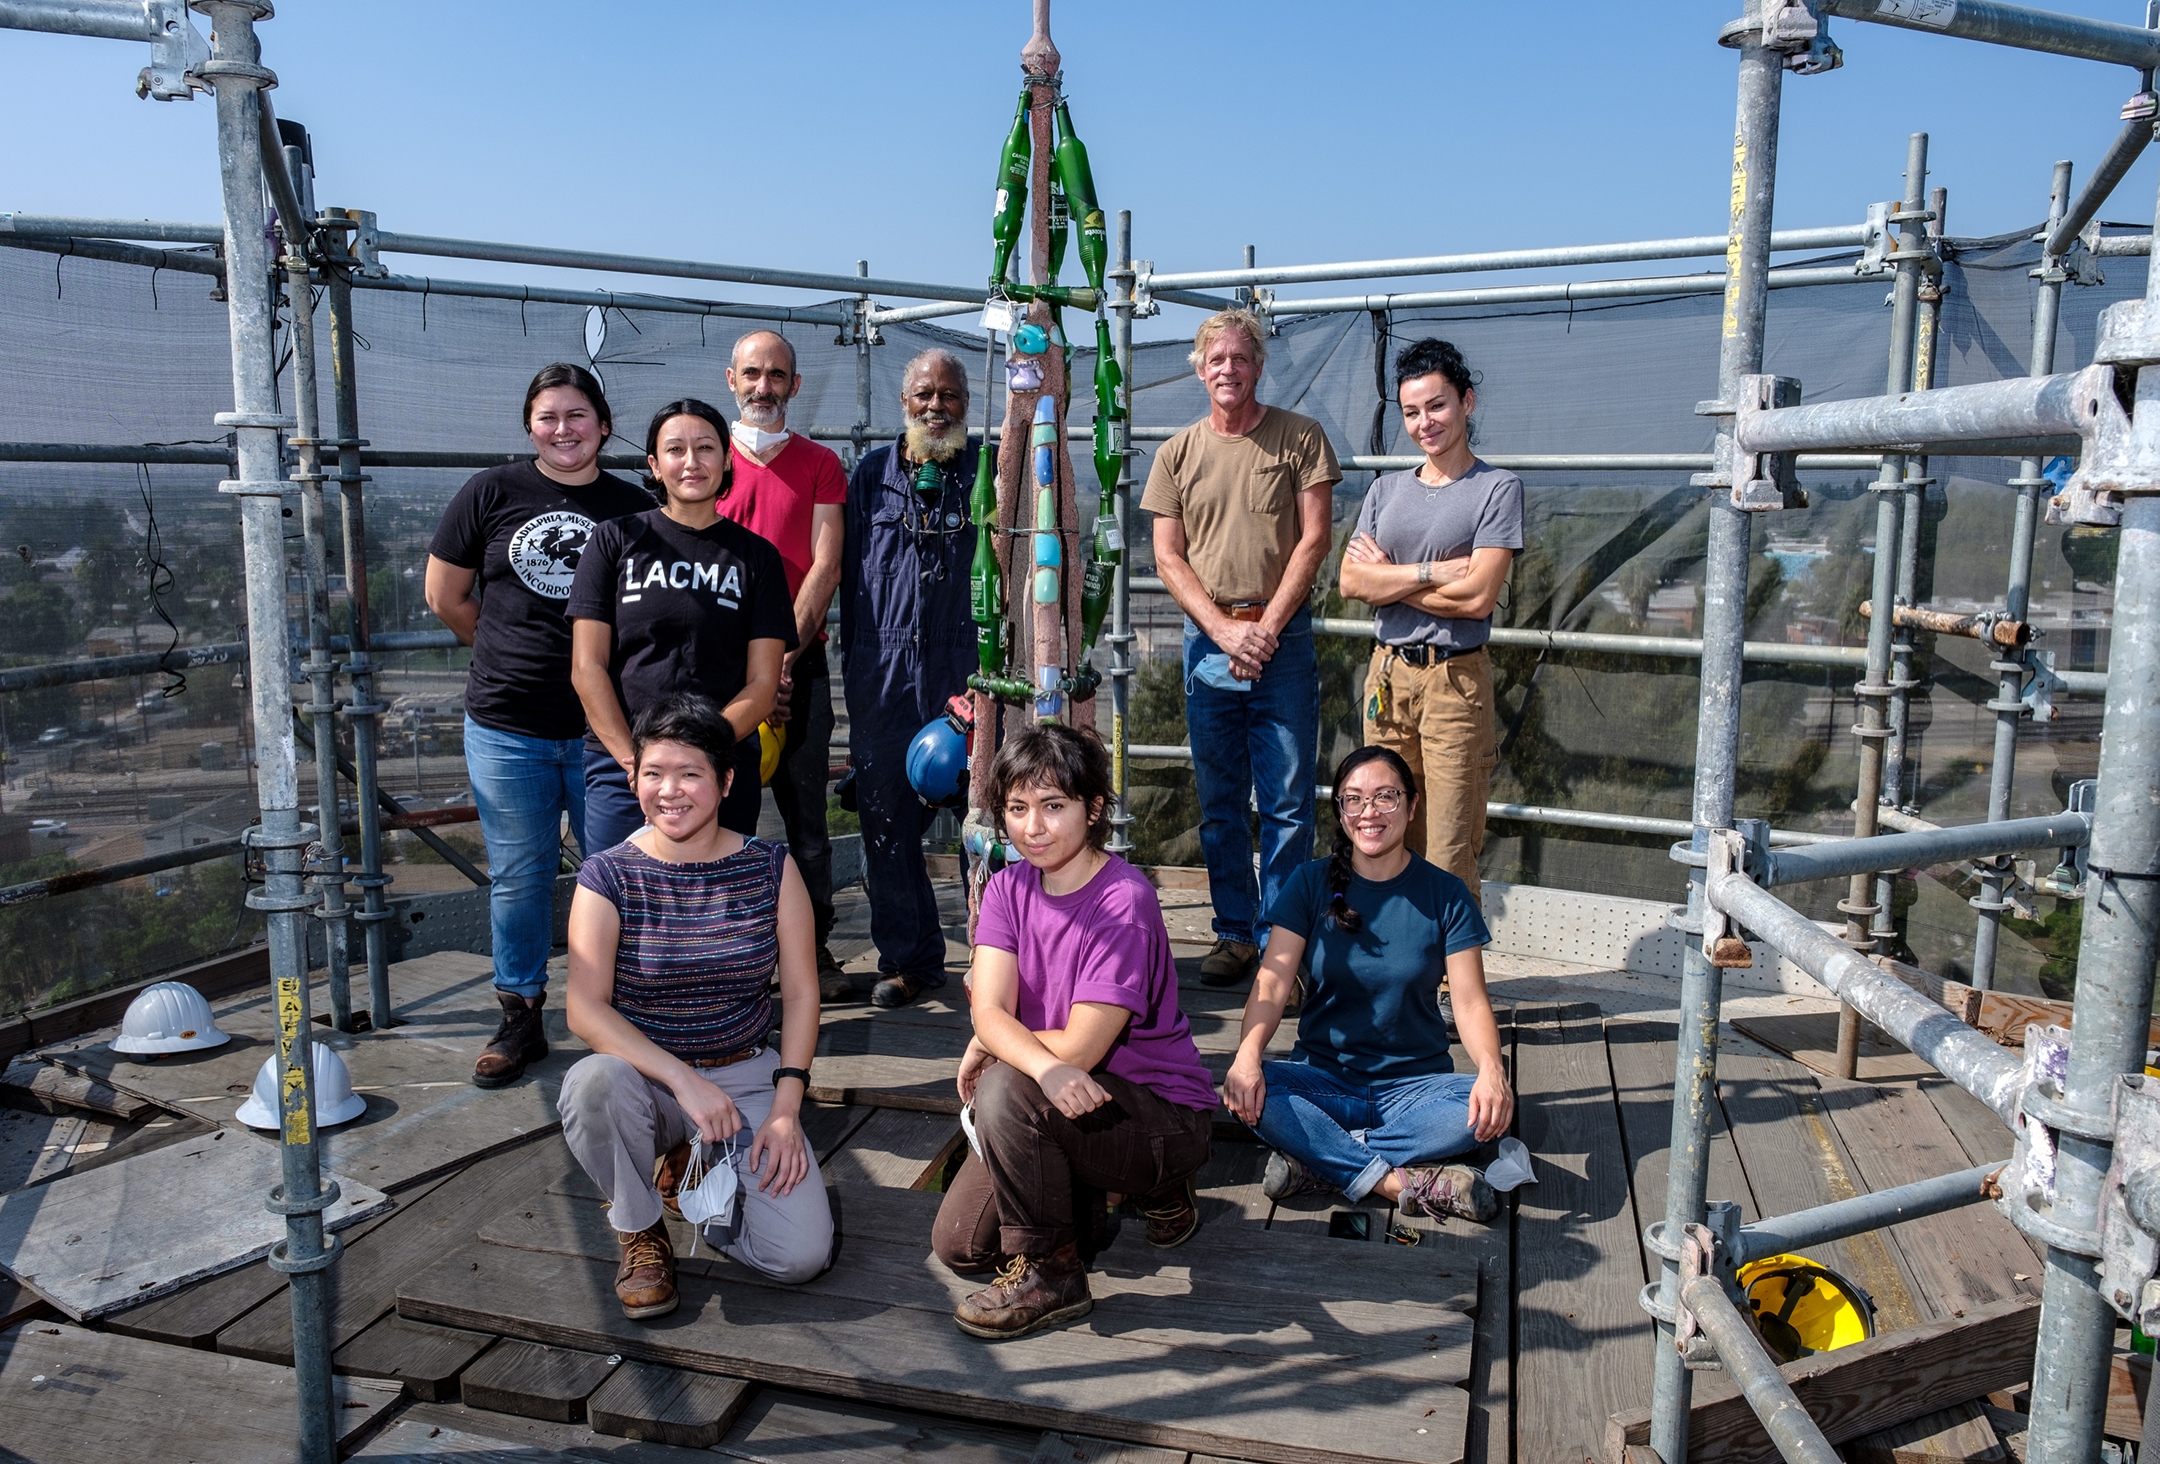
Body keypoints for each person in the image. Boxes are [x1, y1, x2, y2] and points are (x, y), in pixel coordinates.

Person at [932, 725, 1216, 1341]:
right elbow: (988, 1011)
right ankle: (1074, 1207)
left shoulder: (1124, 900)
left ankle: (1055, 1272)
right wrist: (991, 1034)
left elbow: (1082, 1048)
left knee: (1007, 1085)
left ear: (1093, 811)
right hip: (1065, 1103)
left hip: (1158, 1114)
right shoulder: (1006, 888)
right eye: (1017, 808)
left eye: (1053, 806)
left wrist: (998, 1047)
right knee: (959, 1246)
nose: (1033, 827)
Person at [558, 694, 831, 1318]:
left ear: (726, 781)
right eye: (653, 773)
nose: (669, 791)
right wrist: (683, 1082)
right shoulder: (608, 875)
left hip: (747, 1075)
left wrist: (786, 1107)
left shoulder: (769, 866)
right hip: (649, 1081)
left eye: (690, 774)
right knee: (591, 1083)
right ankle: (640, 1227)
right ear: (633, 778)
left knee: (800, 1257)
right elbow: (583, 1009)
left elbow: (800, 993)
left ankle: (695, 1180)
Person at [424, 363, 654, 1089]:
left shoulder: (633, 506)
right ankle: (521, 1014)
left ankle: (624, 1013)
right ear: (530, 425)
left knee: (616, 875)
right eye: (548, 416)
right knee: (519, 879)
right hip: (507, 725)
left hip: (604, 731)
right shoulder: (491, 491)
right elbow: (445, 595)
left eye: (577, 416)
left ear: (605, 425)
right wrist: (506, 653)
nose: (563, 429)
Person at [1222, 745, 1513, 1223]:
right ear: (1340, 811)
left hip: (1416, 1089)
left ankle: (1320, 1160)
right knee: (1252, 1088)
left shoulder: (1447, 895)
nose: (1369, 813)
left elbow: (1469, 1001)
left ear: (1412, 805)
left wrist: (1490, 1070)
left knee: (1480, 1107)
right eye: (1353, 800)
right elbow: (1271, 985)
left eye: (1386, 797)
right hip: (1323, 1081)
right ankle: (1402, 1182)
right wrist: (1248, 1054)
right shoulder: (1308, 883)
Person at [1141, 307, 1341, 989]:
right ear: (1200, 370)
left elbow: (1315, 540)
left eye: (1241, 358)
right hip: (1209, 642)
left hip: (1281, 642)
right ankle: (1233, 935)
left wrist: (1265, 629)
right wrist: (1225, 631)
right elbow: (1168, 557)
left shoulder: (1301, 439)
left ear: (1260, 366)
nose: (1229, 369)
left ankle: (1281, 949)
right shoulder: (1177, 454)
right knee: (1221, 800)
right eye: (1216, 359)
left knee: (1286, 802)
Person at [568, 399, 797, 853]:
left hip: (720, 767)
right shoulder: (614, 540)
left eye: (706, 448)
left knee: (717, 912)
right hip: (624, 771)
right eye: (675, 450)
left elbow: (763, 682)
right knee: (620, 907)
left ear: (727, 459)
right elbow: (586, 667)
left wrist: (698, 758)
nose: (691, 462)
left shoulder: (758, 557)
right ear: (654, 464)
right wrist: (640, 764)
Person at [1338, 338, 1521, 902]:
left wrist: (1390, 583)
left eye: (1436, 406)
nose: (1425, 423)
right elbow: (1350, 583)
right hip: (1387, 679)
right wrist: (1431, 574)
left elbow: (1476, 600)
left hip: (1455, 684)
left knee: (1447, 844)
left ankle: (1450, 981)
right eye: (1412, 412)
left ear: (1466, 402)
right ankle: (1393, 967)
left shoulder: (1496, 488)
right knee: (1382, 833)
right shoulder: (1385, 489)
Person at [839, 349, 981, 1009]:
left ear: (966, 404)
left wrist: (993, 678)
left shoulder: (988, 475)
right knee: (885, 827)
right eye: (924, 394)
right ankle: (910, 962)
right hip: (883, 674)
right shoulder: (869, 478)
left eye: (949, 395)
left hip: (967, 672)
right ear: (905, 403)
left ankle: (998, 968)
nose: (936, 406)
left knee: (989, 826)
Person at [718, 331, 851, 1002]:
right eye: (752, 373)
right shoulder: (704, 462)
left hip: (803, 666)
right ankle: (730, 961)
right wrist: (753, 670)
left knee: (807, 823)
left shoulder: (822, 463)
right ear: (730, 379)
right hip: (718, 674)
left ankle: (814, 954)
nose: (763, 386)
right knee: (721, 820)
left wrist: (783, 661)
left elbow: (825, 565)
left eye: (776, 375)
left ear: (795, 385)